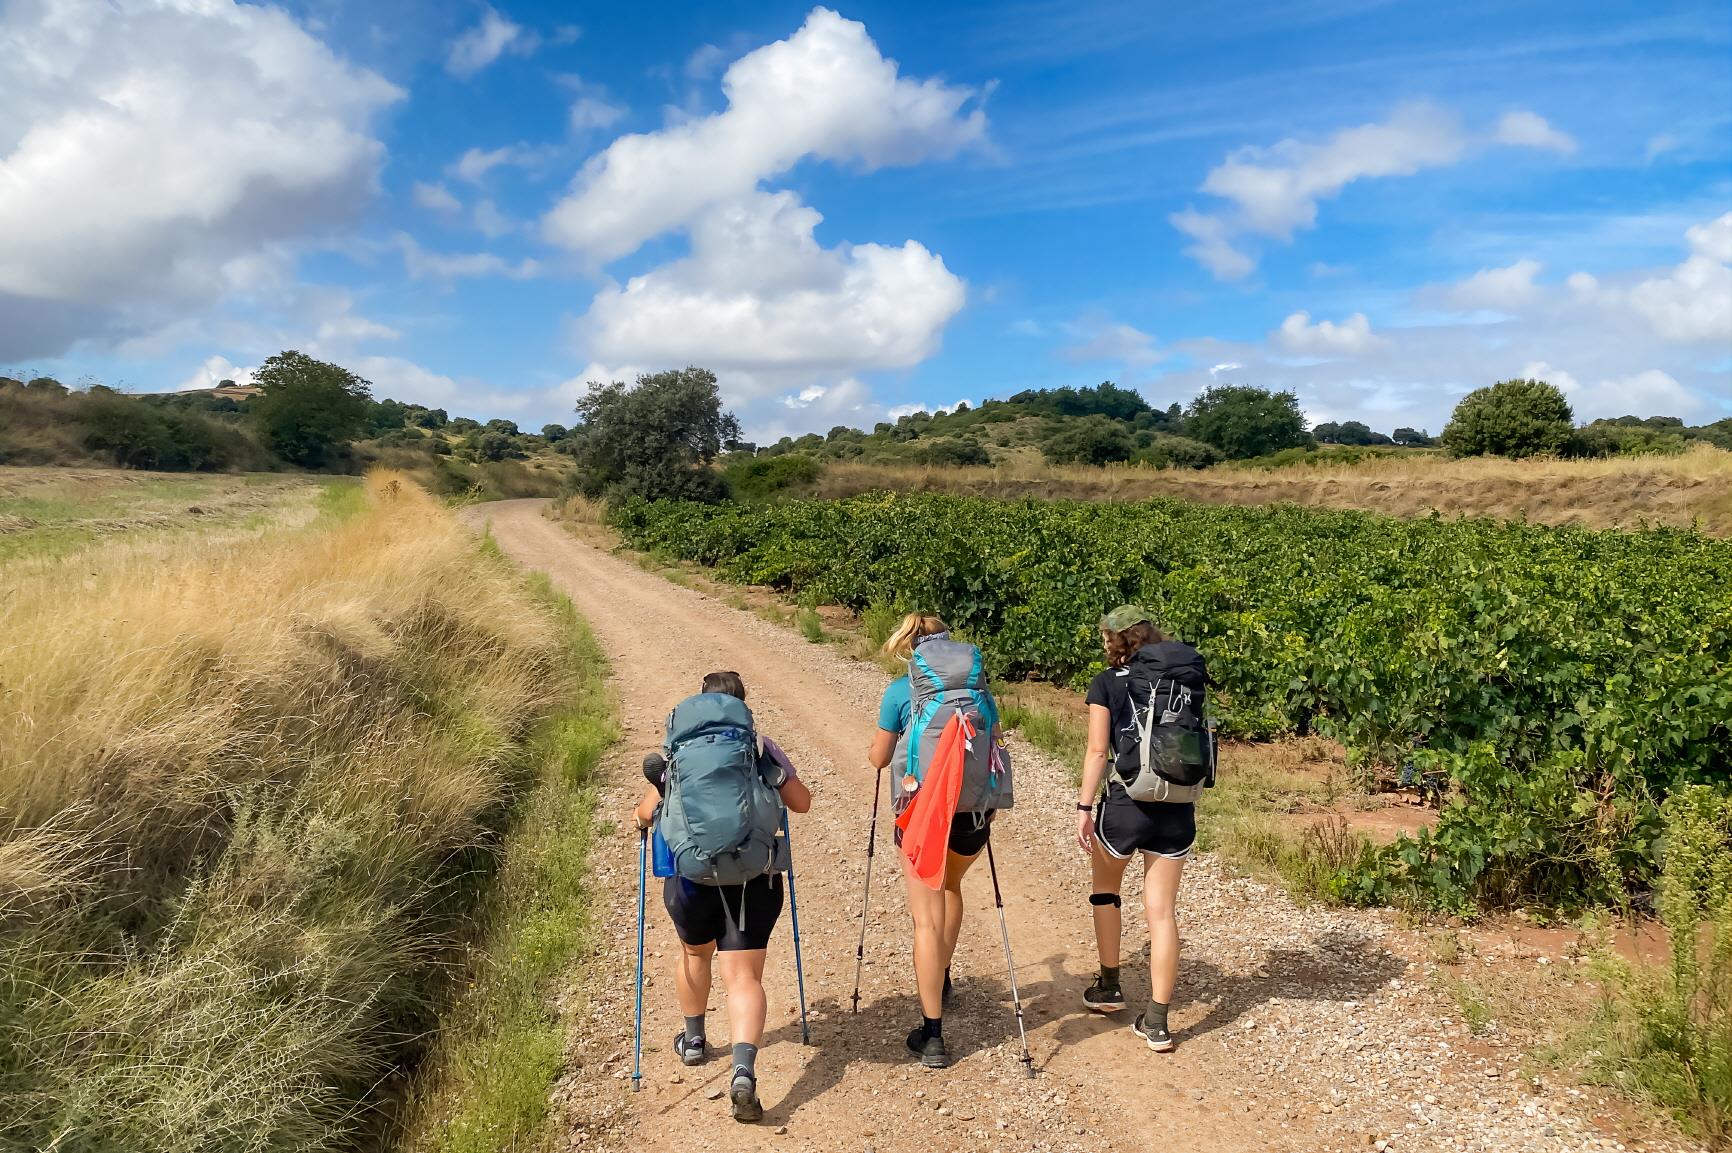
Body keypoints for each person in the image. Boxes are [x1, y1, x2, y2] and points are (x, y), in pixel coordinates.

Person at [633, 670, 812, 1122]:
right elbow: (802, 802)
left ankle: (694, 1041)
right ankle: (743, 1072)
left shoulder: (680, 753)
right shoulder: (760, 748)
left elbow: (645, 812)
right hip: (755, 874)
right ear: (743, 707)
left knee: (695, 955)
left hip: (693, 877)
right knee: (744, 977)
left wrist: (646, 814)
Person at [866, 613, 1005, 1069]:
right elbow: (995, 745)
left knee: (925, 920)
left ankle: (932, 1034)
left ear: (913, 647)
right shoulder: (981, 694)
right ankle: (943, 975)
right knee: (953, 887)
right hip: (972, 815)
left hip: (922, 817)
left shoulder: (900, 691)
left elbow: (879, 757)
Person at [1074, 606, 1207, 1053]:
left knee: (1106, 893)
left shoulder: (1107, 683)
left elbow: (1097, 751)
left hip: (1127, 803)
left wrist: (1084, 806)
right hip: (1177, 805)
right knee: (1162, 912)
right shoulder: (1184, 681)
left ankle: (1109, 986)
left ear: (1113, 640)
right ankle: (1158, 1021)